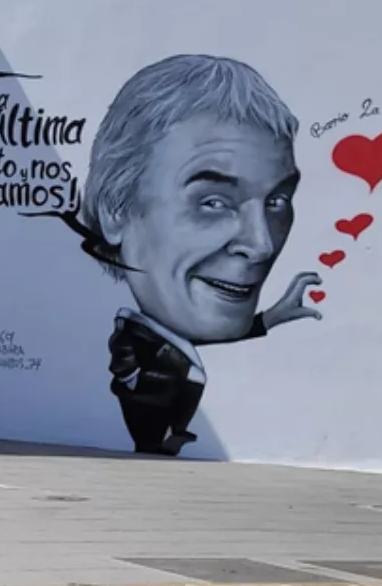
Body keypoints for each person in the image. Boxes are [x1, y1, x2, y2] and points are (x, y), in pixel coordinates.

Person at [73, 54, 321, 456]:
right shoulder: (134, 344)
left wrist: (271, 318)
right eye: (213, 202)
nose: (262, 245)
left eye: (276, 200)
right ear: (116, 209)